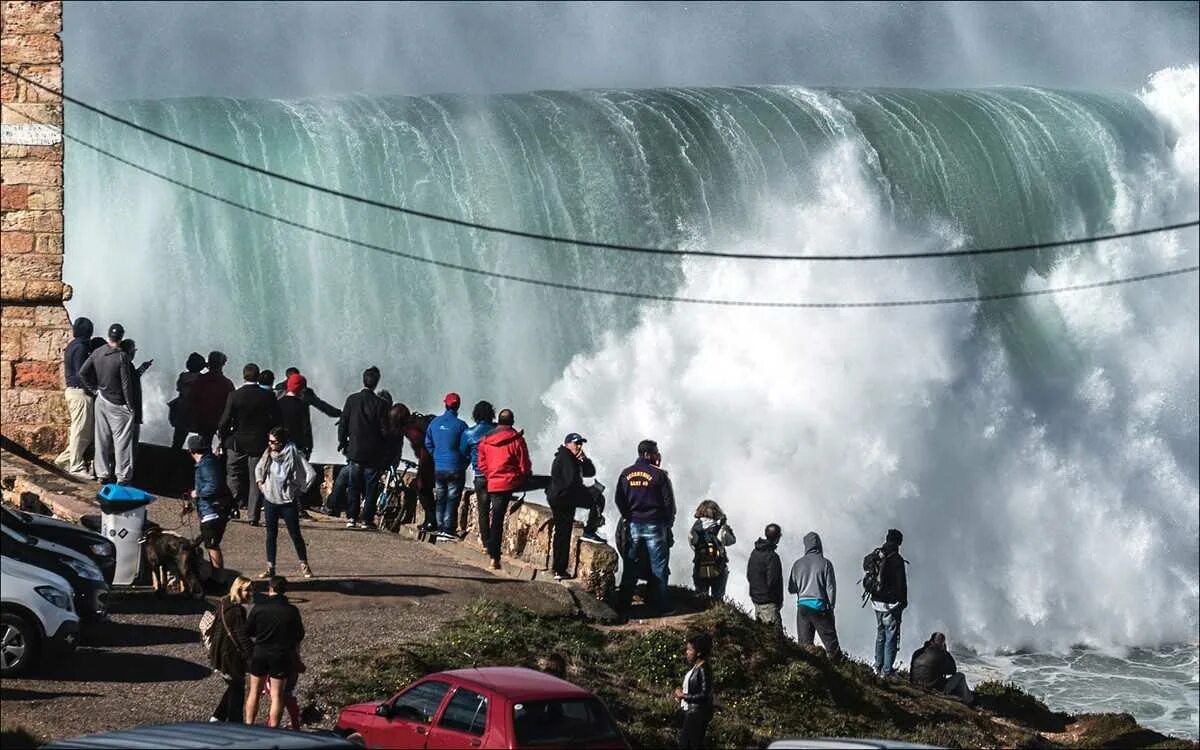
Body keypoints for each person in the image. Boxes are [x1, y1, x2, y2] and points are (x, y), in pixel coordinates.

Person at [614, 439, 677, 616]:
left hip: (633, 524)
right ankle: (661, 606)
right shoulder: (659, 475)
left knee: (630, 566)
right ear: (648, 454)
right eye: (656, 452)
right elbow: (669, 504)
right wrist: (667, 523)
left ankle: (623, 605)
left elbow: (619, 499)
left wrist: (629, 516)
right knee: (659, 568)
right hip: (655, 525)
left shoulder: (626, 474)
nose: (658, 456)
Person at [218, 363, 282, 526]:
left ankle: (232, 508)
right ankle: (253, 516)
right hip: (259, 443)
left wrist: (223, 440)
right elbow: (277, 421)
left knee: (233, 475)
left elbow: (224, 422)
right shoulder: (267, 396)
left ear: (243, 375)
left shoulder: (234, 395)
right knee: (257, 479)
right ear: (258, 375)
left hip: (236, 442)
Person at [78, 323, 139, 485]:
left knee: (102, 439)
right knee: (122, 441)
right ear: (121, 337)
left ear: (109, 335)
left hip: (101, 399)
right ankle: (122, 476)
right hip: (118, 403)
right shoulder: (121, 356)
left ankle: (102, 473)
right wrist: (130, 406)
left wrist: (94, 389)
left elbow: (82, 372)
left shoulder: (98, 352)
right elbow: (126, 383)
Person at [255, 427, 315, 579]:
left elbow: (311, 474)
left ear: (281, 442)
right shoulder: (268, 453)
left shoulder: (294, 454)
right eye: (268, 441)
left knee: (295, 534)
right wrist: (261, 484)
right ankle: (270, 567)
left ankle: (304, 565)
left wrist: (301, 489)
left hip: (287, 500)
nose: (270, 444)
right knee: (271, 534)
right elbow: (259, 468)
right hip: (270, 499)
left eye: (273, 442)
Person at [245, 576, 305, 727]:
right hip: (280, 655)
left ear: (270, 588)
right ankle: (273, 729)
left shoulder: (259, 608)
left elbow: (248, 631)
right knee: (277, 695)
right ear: (285, 590)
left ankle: (249, 724)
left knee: (254, 692)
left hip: (260, 652)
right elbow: (299, 635)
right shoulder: (291, 610)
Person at [475, 409, 532, 568]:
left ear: (498, 421)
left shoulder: (486, 440)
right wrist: (519, 477)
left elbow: (481, 463)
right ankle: (494, 557)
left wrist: (490, 474)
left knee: (492, 516)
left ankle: (492, 553)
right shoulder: (517, 440)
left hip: (492, 481)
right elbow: (524, 466)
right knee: (498, 520)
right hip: (508, 483)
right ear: (512, 422)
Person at [338, 366, 387, 530]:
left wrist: (342, 442)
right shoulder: (380, 404)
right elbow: (383, 430)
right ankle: (366, 519)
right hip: (373, 453)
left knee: (353, 485)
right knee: (371, 486)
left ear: (363, 380)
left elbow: (343, 423)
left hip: (355, 450)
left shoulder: (352, 399)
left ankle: (351, 517)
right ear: (377, 382)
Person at [546, 432, 598, 581]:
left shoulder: (570, 457)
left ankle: (558, 569)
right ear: (568, 444)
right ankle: (559, 569)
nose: (579, 446)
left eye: (580, 443)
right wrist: (586, 493)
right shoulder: (565, 458)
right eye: (576, 443)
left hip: (563, 498)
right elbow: (570, 482)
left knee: (562, 532)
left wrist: (584, 459)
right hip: (563, 499)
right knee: (563, 533)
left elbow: (590, 472)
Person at [787, 531, 841, 658]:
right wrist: (831, 607)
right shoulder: (826, 563)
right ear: (819, 545)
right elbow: (831, 589)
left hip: (802, 608)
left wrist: (803, 585)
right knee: (832, 647)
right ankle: (839, 673)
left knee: (804, 648)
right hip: (820, 608)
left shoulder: (797, 564)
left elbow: (791, 588)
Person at [55, 317, 96, 479]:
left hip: (73, 391)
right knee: (81, 431)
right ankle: (76, 466)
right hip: (80, 393)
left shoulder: (72, 345)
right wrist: (93, 389)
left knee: (82, 430)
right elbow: (81, 373)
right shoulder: (80, 347)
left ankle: (64, 460)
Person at [424, 393, 469, 539]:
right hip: (456, 467)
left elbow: (428, 443)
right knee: (452, 498)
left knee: (441, 497)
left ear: (445, 404)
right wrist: (464, 462)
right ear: (458, 406)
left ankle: (439, 526)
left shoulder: (435, 423)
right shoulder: (461, 426)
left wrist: (436, 456)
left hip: (439, 467)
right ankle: (448, 529)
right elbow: (467, 447)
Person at [209, 576, 253, 722]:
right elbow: (242, 638)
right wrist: (251, 659)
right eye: (247, 590)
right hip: (230, 657)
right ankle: (235, 724)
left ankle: (217, 716)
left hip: (219, 654)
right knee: (238, 689)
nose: (250, 593)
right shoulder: (236, 611)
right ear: (238, 590)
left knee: (233, 686)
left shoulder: (224, 603)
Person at [188, 434, 233, 571]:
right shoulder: (209, 461)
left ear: (191, 451)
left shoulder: (205, 464)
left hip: (212, 512)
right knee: (210, 544)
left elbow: (213, 485)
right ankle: (216, 576)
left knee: (212, 545)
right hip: (213, 510)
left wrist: (198, 493)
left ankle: (218, 579)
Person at [867, 528, 908, 677]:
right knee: (891, 637)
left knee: (880, 634)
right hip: (891, 604)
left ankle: (877, 666)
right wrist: (903, 602)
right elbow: (901, 585)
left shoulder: (877, 554)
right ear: (898, 542)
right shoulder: (896, 559)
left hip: (876, 601)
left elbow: (866, 566)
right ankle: (887, 671)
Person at [459, 400, 496, 546]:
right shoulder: (499, 430)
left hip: (480, 476)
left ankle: (487, 543)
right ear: (491, 414)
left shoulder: (469, 433)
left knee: (483, 510)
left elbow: (463, 452)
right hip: (497, 476)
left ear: (475, 415)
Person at [688, 500, 736, 600]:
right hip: (719, 566)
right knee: (717, 598)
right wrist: (725, 526)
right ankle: (716, 611)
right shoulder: (720, 527)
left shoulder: (695, 528)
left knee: (701, 595)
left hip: (700, 565)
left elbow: (692, 544)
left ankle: (700, 611)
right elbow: (731, 541)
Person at [910, 632, 974, 704]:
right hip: (933, 690)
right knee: (960, 676)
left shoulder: (917, 652)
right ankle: (969, 700)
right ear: (942, 644)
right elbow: (953, 670)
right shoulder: (940, 655)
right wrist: (945, 652)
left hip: (915, 685)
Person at [674, 632, 714, 749]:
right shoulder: (696, 667)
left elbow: (704, 695)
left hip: (697, 714)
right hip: (692, 713)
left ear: (699, 652)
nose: (687, 652)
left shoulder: (703, 669)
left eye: (690, 650)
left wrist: (683, 696)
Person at [190, 351, 235, 449]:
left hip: (203, 420)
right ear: (222, 364)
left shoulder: (199, 380)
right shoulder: (227, 383)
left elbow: (192, 399)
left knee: (204, 447)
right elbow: (232, 405)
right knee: (224, 447)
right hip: (221, 420)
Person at [747, 524, 784, 630]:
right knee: (776, 639)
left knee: (762, 637)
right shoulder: (772, 557)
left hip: (756, 601)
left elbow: (749, 574)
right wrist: (777, 601)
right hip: (768, 604)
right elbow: (774, 581)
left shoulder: (755, 552)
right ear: (777, 537)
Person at [272, 366, 341, 419]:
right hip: (300, 430)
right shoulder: (305, 392)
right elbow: (322, 406)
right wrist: (340, 414)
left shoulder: (278, 388)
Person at [170, 352, 206, 450]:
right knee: (202, 441)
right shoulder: (203, 379)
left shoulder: (183, 376)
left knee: (177, 441)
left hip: (182, 411)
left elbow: (178, 388)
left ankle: (171, 461)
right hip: (196, 413)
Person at [277, 373, 314, 459]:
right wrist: (309, 447)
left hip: (280, 444)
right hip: (297, 446)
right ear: (301, 389)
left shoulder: (278, 403)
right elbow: (306, 428)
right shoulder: (302, 405)